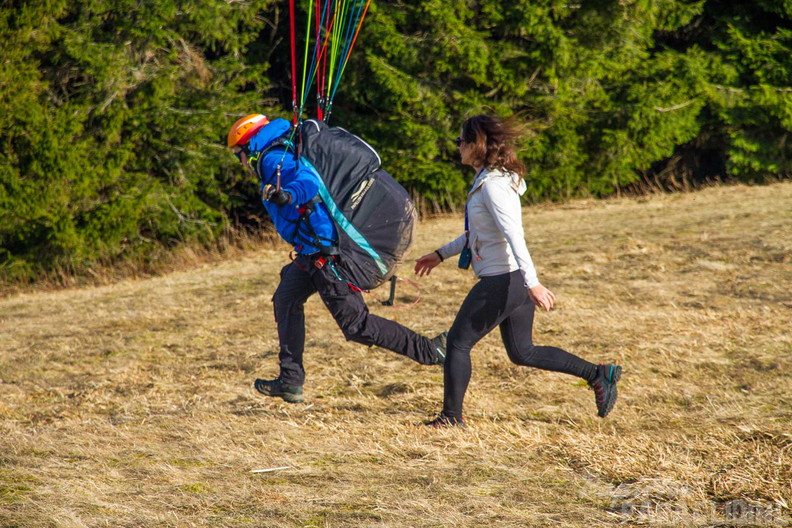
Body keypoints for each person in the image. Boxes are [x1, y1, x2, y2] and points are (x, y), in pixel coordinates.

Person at [414, 114, 622, 427]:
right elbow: (480, 233)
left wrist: (533, 283)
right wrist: (441, 254)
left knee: (457, 343)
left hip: (505, 280)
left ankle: (451, 418)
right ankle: (598, 374)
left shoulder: (494, 186)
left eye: (461, 141)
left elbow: (514, 234)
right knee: (522, 352)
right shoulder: (487, 179)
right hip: (511, 280)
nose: (457, 146)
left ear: (476, 144)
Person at [227, 114, 447, 404]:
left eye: (237, 155)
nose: (240, 162)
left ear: (246, 145)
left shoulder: (272, 157)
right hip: (310, 250)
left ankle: (432, 350)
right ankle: (291, 380)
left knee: (356, 325)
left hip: (326, 252)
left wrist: (289, 195)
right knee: (286, 297)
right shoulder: (287, 143)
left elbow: (307, 182)